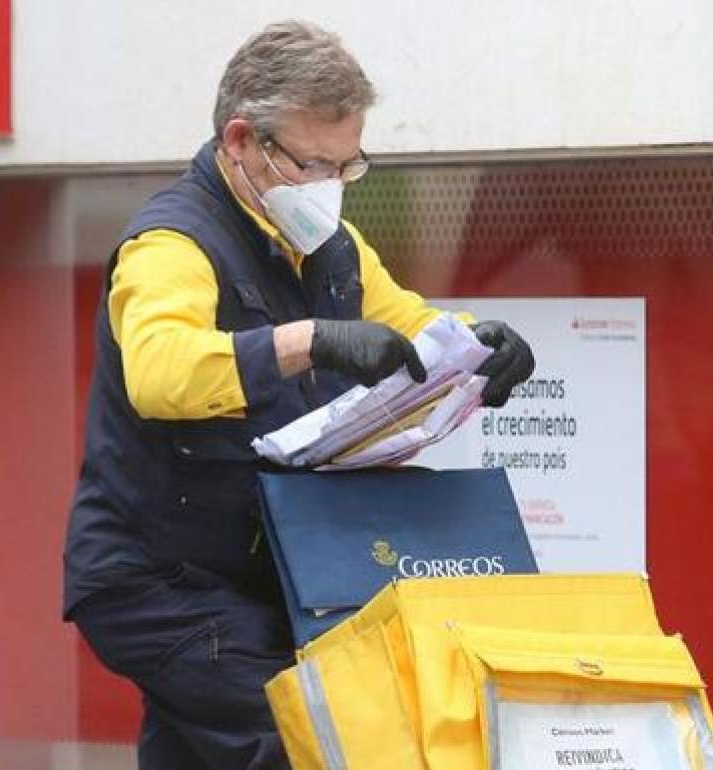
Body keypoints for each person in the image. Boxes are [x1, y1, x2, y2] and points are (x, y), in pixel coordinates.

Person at [62, 20, 534, 769]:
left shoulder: (329, 246)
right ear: (242, 141)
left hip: (263, 573)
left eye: (348, 167)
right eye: (313, 164)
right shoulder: (172, 243)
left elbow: (407, 323)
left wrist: (482, 344)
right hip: (160, 581)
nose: (329, 190)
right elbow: (159, 371)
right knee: (308, 742)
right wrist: (308, 339)